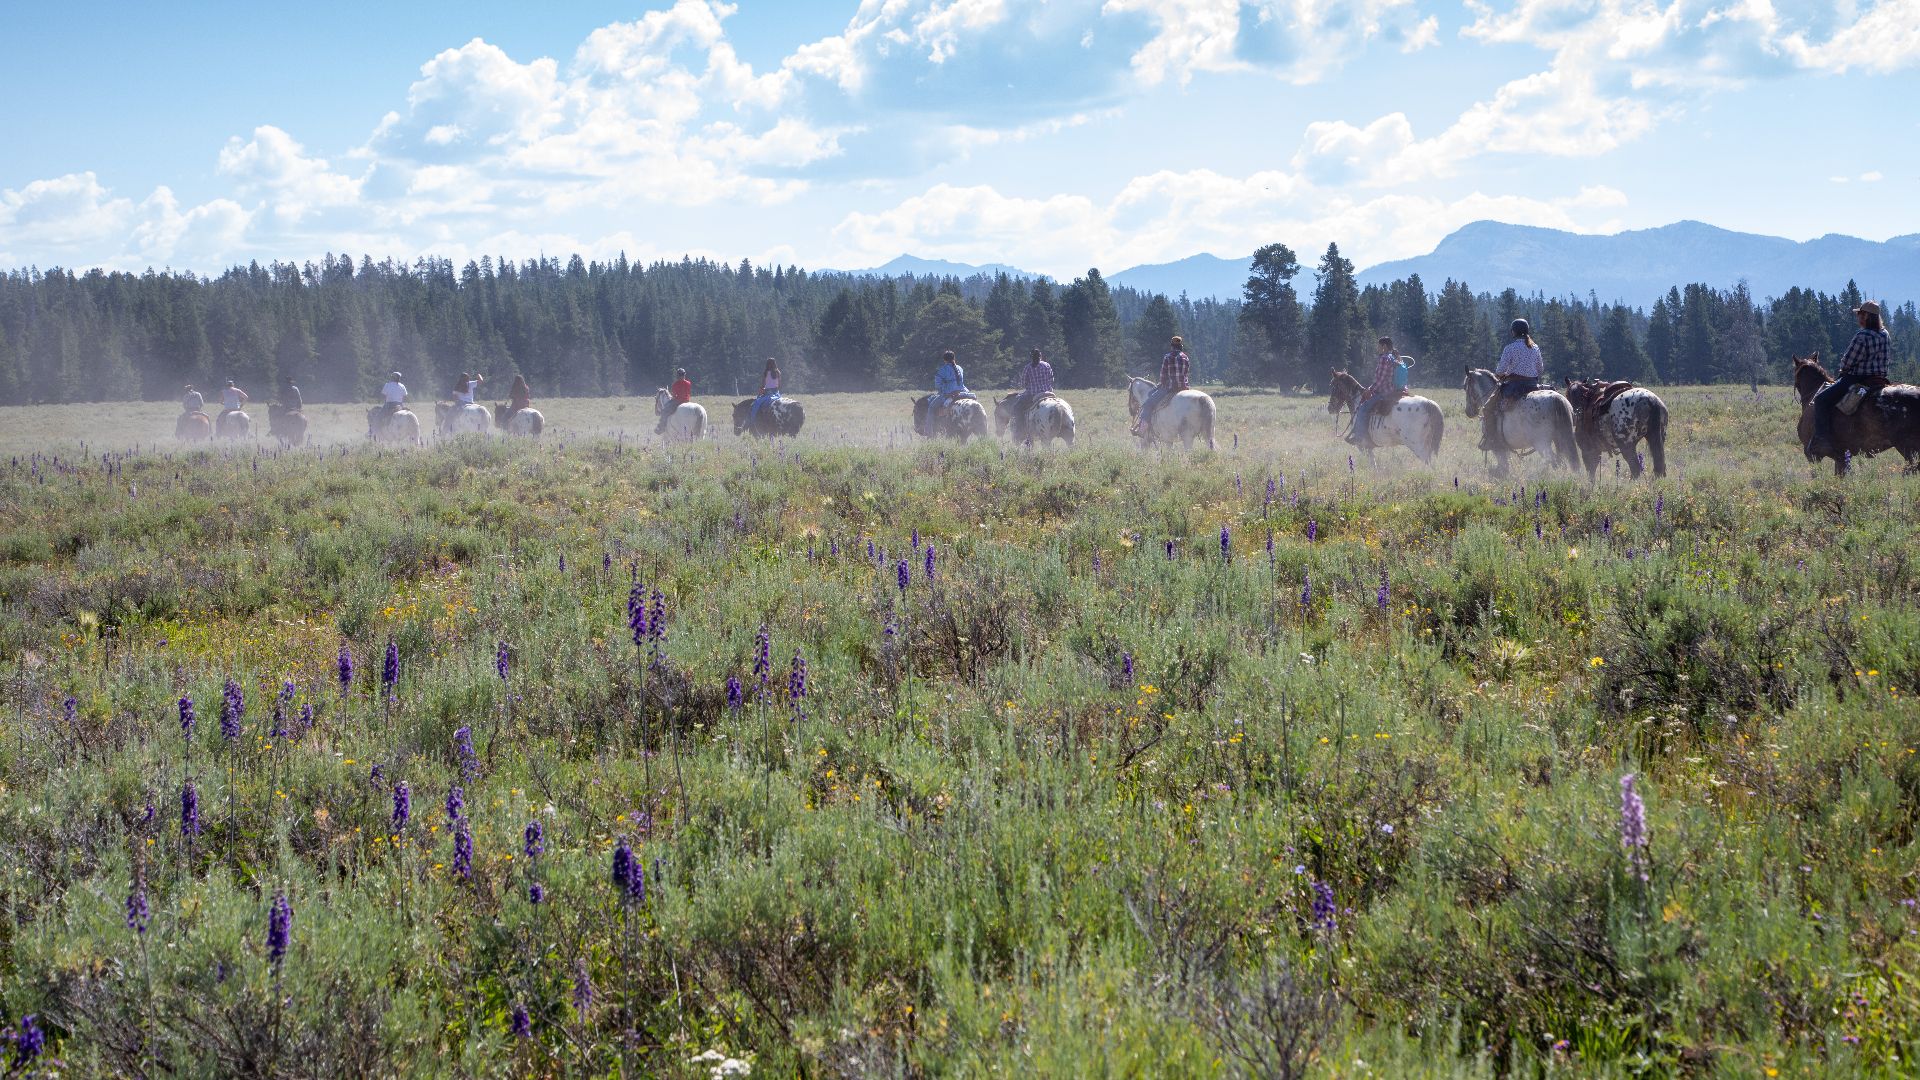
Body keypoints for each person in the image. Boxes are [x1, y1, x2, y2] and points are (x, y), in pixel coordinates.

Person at [1807, 300, 1892, 459]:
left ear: (1866, 316)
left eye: (1860, 314)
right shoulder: (1885, 334)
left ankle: (1823, 440)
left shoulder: (1862, 335)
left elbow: (1847, 362)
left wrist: (1843, 369)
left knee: (1821, 400)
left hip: (1857, 380)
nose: (1858, 317)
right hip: (1880, 380)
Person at [1481, 319, 1543, 450]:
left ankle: (1491, 439)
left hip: (1515, 386)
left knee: (1487, 409)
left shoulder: (1510, 348)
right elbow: (1540, 369)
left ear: (1514, 332)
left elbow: (1499, 371)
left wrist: (1503, 375)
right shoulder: (1535, 347)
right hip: (1533, 385)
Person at [1346, 336, 1400, 446]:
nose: (1377, 348)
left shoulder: (1384, 358)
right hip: (1390, 389)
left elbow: (1381, 379)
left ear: (1384, 346)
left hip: (1383, 392)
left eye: (1379, 346)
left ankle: (1359, 437)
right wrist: (1370, 388)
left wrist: (1371, 390)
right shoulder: (1392, 358)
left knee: (1362, 408)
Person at [1133, 336, 1190, 436]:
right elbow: (1185, 373)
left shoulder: (1167, 357)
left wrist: (1162, 383)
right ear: (1181, 346)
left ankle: (1142, 430)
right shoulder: (1185, 357)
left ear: (1172, 346)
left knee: (1148, 403)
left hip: (1170, 388)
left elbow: (1163, 376)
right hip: (1184, 387)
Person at [1011, 348, 1055, 432]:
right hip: (1048, 393)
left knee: (1017, 408)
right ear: (1040, 356)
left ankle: (1020, 430)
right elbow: (1052, 379)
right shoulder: (1047, 365)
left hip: (1032, 394)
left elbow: (1023, 383)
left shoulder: (1028, 367)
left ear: (1031, 357)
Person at [929, 350, 970, 419]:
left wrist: (942, 390)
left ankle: (928, 430)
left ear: (944, 360)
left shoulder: (943, 369)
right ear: (954, 358)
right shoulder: (960, 368)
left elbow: (938, 384)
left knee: (931, 407)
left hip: (949, 394)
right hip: (963, 392)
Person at [657, 368, 693, 432]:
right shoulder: (688, 383)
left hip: (678, 401)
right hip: (687, 401)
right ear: (684, 375)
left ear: (677, 375)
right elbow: (688, 393)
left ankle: (661, 427)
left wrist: (672, 399)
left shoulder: (675, 384)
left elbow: (674, 396)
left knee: (665, 410)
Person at [748, 358, 781, 427]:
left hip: (768, 392)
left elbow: (763, 385)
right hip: (776, 393)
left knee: (757, 403)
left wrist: (760, 392)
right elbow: (779, 384)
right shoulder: (778, 372)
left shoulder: (766, 373)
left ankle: (752, 420)